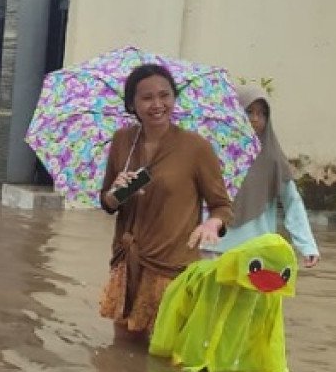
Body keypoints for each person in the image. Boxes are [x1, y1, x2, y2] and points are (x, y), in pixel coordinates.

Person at [99, 63, 233, 339]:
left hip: (172, 264)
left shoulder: (196, 147)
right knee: (123, 351)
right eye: (146, 98)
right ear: (132, 104)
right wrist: (116, 192)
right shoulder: (123, 141)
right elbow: (108, 204)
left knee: (166, 350)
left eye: (165, 95)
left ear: (174, 98)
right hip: (127, 260)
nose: (157, 104)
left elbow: (222, 205)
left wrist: (213, 224)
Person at [207, 85, 319, 267]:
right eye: (249, 111)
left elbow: (292, 202)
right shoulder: (215, 152)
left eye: (262, 114)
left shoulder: (272, 159)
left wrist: (307, 245)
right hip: (215, 248)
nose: (255, 119)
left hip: (255, 252)